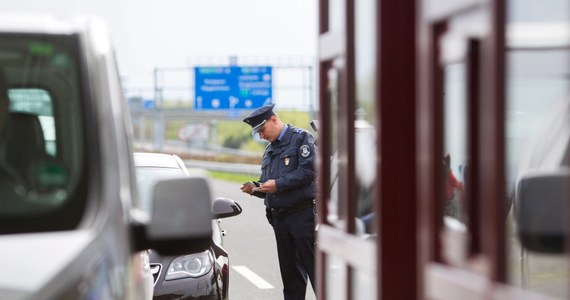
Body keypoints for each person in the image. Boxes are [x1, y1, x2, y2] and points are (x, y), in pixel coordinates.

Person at [240, 104, 317, 300]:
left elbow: (309, 171)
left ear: (274, 120)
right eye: (257, 133)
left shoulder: (301, 138)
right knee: (291, 281)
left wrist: (278, 185)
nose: (261, 136)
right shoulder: (269, 151)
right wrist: (256, 187)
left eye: (262, 130)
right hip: (280, 221)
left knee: (318, 274)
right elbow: (270, 186)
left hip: (302, 217)